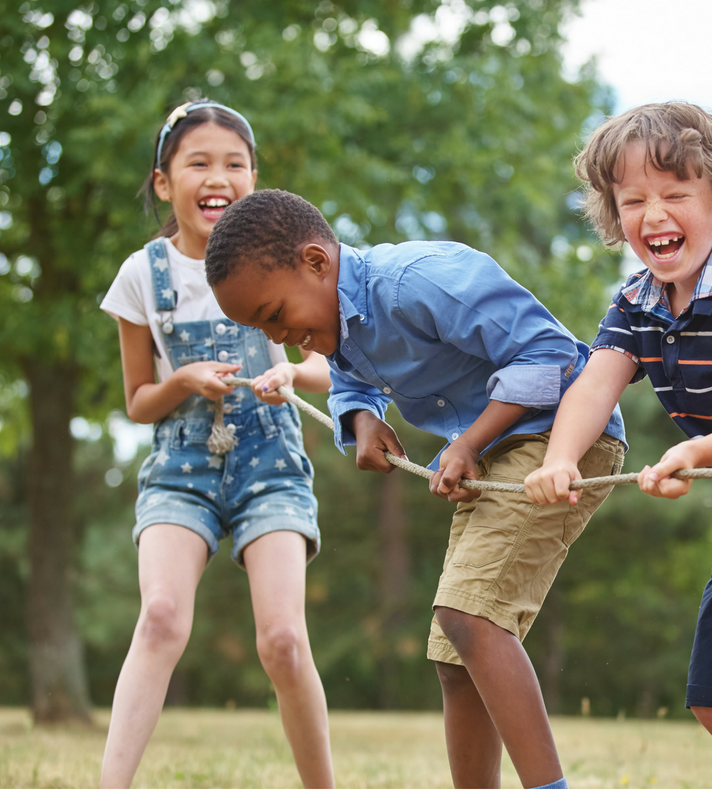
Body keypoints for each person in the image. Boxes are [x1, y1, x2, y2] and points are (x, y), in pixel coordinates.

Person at [204, 188, 627, 789]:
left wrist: (469, 442)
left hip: (559, 438)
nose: (284, 337)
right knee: (455, 657)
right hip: (494, 451)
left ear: (317, 263)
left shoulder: (416, 281)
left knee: (470, 618)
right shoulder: (341, 327)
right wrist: (362, 421)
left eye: (275, 315)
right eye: (261, 329)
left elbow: (551, 352)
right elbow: (352, 382)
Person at [523, 102, 712, 785]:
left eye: (675, 194)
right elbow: (592, 388)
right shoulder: (636, 302)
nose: (653, 213)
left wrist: (693, 453)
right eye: (633, 199)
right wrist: (560, 458)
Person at [98, 101, 334, 788]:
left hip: (272, 466)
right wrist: (185, 382)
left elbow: (328, 365)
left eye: (234, 163)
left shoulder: (289, 261)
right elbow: (139, 400)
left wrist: (291, 369)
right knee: (162, 617)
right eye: (198, 162)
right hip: (181, 468)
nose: (218, 176)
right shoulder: (143, 275)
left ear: (254, 179)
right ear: (165, 182)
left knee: (284, 641)